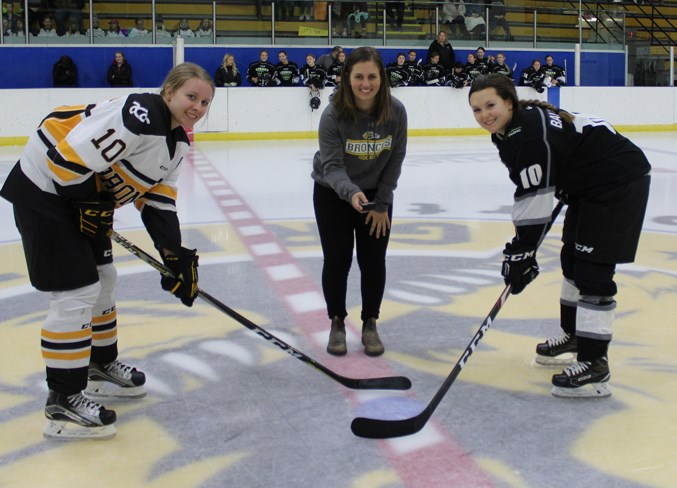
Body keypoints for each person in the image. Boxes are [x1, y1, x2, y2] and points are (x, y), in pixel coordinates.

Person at [0, 62, 215, 440]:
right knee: (75, 293)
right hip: (44, 192)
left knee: (104, 279)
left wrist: (174, 256)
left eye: (205, 102)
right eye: (191, 97)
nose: (197, 106)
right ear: (169, 92)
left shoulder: (178, 140)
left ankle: (99, 364)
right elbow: (64, 163)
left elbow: (159, 200)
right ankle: (62, 400)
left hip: (79, 196)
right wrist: (89, 204)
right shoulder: (140, 114)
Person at [468, 73, 650, 398]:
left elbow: (535, 196)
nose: (485, 115)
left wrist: (522, 250)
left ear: (509, 102)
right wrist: (524, 248)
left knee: (594, 270)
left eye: (491, 105)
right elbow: (539, 181)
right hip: (589, 184)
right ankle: (576, 336)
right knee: (572, 259)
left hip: (617, 183)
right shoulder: (513, 128)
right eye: (477, 110)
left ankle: (595, 367)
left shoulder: (527, 135)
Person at [312, 46, 407, 357]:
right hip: (333, 195)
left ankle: (370, 322)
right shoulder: (332, 115)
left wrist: (381, 204)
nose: (365, 83)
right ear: (346, 78)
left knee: (372, 261)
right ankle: (337, 321)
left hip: (376, 197)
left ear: (382, 78)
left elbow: (395, 159)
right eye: (358, 77)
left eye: (372, 76)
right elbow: (333, 167)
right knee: (337, 261)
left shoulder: (396, 111)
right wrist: (351, 193)